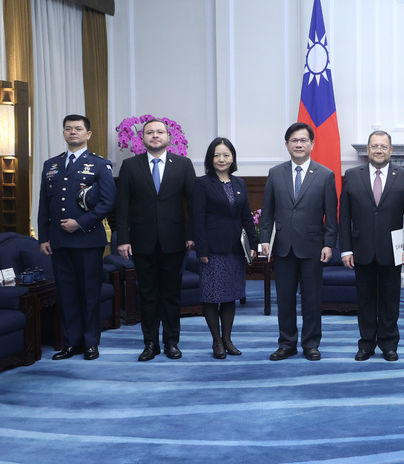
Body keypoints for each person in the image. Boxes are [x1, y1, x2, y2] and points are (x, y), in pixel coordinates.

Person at [116, 118, 196, 361]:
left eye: (160, 132)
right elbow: (122, 205)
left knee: (171, 294)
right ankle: (150, 343)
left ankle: (171, 341)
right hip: (141, 241)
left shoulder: (183, 164)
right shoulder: (130, 166)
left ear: (168, 137)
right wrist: (123, 239)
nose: (155, 136)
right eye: (149, 132)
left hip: (174, 241)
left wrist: (192, 235)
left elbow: (193, 203)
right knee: (148, 294)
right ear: (142, 138)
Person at [37, 114, 115, 361]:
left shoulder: (100, 164)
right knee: (67, 294)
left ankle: (91, 343)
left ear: (88, 134)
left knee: (89, 293)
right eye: (68, 129)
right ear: (63, 133)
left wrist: (79, 224)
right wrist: (43, 238)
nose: (73, 132)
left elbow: (107, 202)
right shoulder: (51, 164)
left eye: (78, 129)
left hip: (88, 240)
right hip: (59, 241)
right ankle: (71, 343)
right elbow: (44, 205)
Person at [339, 131, 404, 361]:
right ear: (367, 149)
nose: (379, 150)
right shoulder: (352, 176)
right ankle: (366, 344)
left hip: (393, 250)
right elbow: (344, 216)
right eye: (374, 146)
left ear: (391, 150)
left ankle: (388, 344)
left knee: (390, 299)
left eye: (384, 146)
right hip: (361, 248)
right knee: (364, 299)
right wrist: (345, 248)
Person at [260, 122, 338, 361]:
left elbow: (331, 214)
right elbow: (267, 212)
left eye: (303, 140)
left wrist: (328, 244)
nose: (299, 144)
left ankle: (311, 344)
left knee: (312, 299)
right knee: (284, 298)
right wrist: (265, 239)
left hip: (313, 247)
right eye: (294, 140)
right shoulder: (275, 173)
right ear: (287, 145)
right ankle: (287, 343)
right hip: (283, 246)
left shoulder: (325, 174)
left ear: (312, 144)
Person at [193, 138, 258, 359]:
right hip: (212, 250)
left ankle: (228, 339)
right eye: (217, 155)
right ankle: (216, 342)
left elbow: (246, 217)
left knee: (230, 296)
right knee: (211, 297)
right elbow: (197, 218)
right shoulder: (203, 183)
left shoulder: (239, 183)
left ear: (233, 158)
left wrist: (253, 244)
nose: (222, 159)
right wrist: (201, 250)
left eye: (226, 155)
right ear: (211, 159)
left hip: (235, 249)